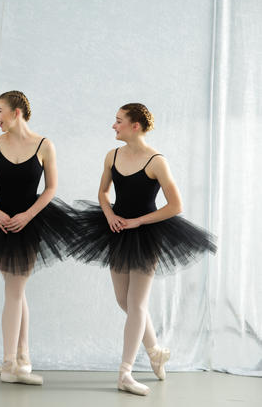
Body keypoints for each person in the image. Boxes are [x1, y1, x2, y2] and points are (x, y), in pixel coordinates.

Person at [69, 103, 217, 395]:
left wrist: (138, 221)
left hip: (146, 234)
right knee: (124, 301)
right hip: (116, 230)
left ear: (134, 125)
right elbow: (102, 192)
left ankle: (125, 372)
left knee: (136, 304)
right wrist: (109, 214)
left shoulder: (156, 161)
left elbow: (176, 205)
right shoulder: (111, 156)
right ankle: (156, 352)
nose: (114, 126)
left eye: (118, 121)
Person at [0, 91, 77, 385]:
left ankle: (17, 359)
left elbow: (50, 188)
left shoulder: (45, 145)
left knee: (16, 288)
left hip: (29, 222)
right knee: (15, 288)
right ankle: (16, 360)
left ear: (16, 112)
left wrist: (28, 216)